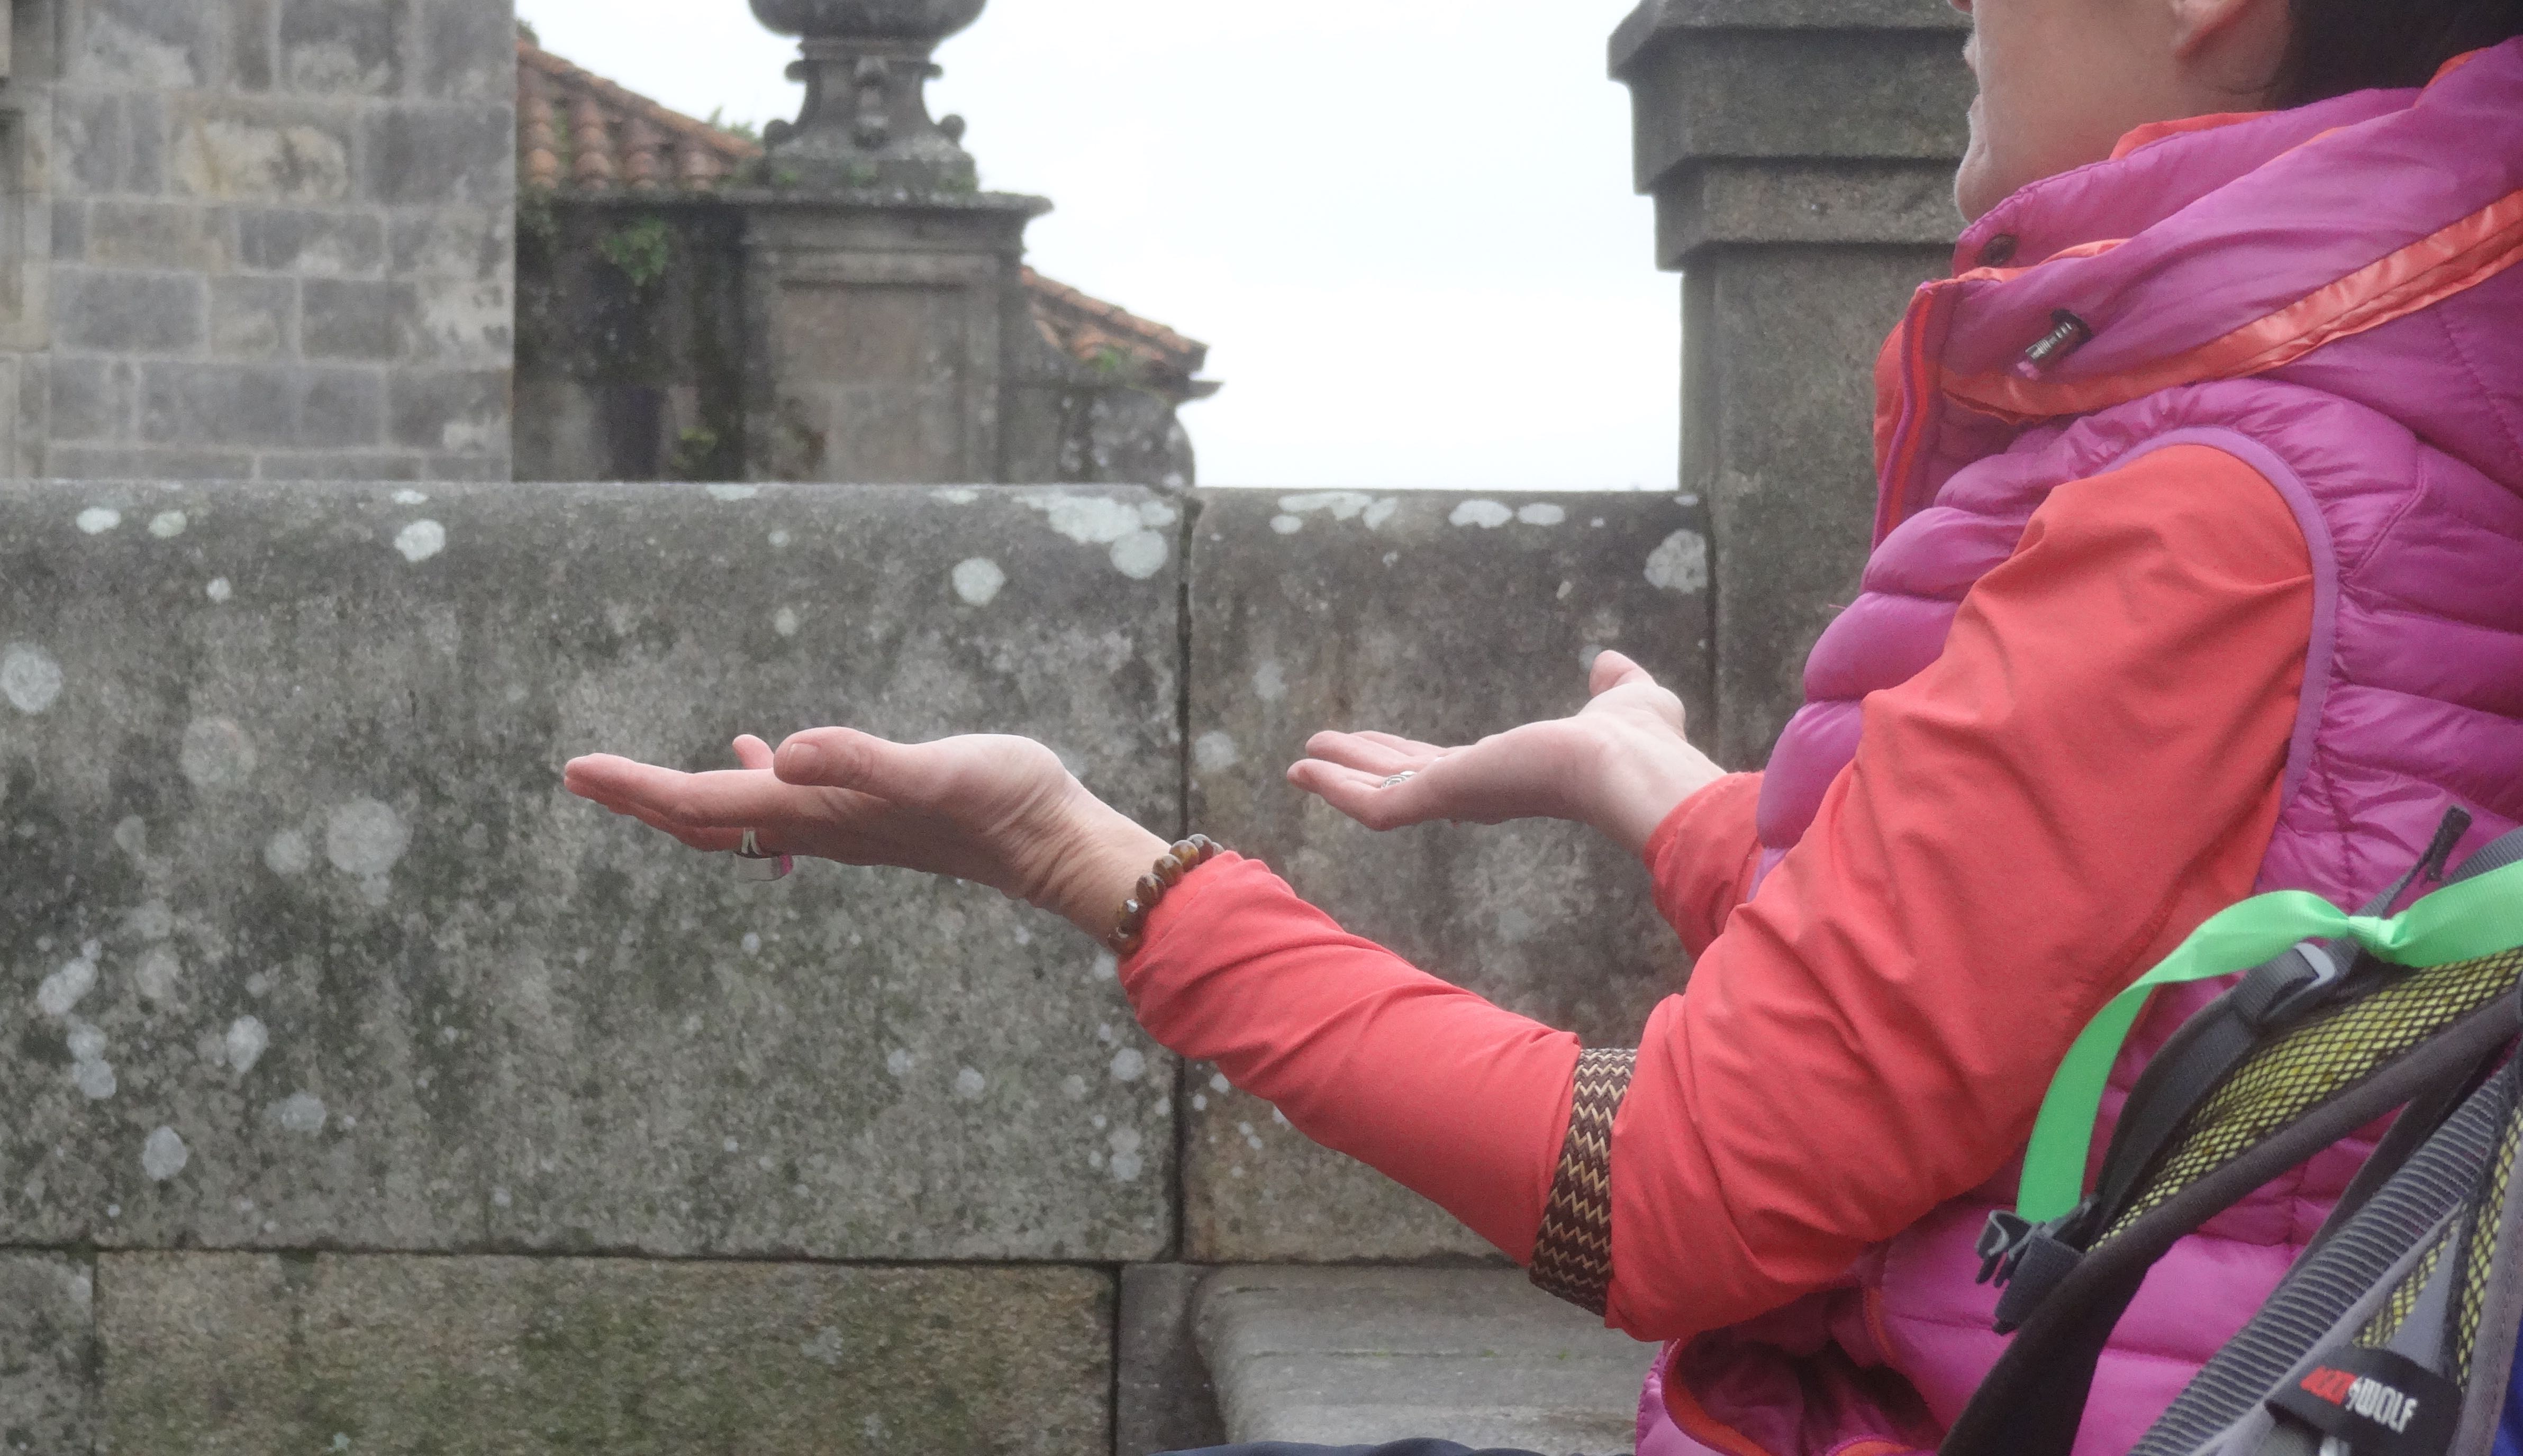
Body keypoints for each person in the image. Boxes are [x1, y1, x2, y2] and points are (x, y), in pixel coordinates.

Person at [562, 0, 2523, 1450]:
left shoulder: (2213, 507)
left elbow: (1677, 1189)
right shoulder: (2386, 425)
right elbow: (2103, 950)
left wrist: (1085, 861)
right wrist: (1669, 797)